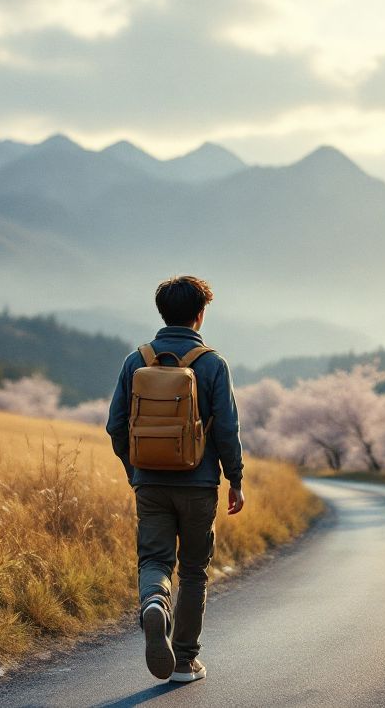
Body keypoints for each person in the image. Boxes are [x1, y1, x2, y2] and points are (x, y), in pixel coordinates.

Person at [106, 275, 245, 683]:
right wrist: (234, 479)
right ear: (200, 315)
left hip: (150, 484)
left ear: (162, 312)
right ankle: (184, 660)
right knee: (194, 570)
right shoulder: (213, 363)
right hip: (199, 486)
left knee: (154, 560)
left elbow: (115, 425)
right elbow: (227, 431)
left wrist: (136, 472)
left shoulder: (136, 360)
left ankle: (154, 603)